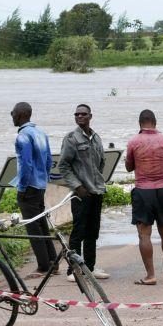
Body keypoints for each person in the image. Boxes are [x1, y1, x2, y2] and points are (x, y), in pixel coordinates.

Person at [125, 109, 163, 285]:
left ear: (140, 123)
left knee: (144, 235)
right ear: (155, 122)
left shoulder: (133, 142)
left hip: (143, 191)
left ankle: (150, 276)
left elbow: (129, 167)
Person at [58, 103, 110, 280]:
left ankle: (90, 267)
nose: (80, 117)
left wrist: (95, 181)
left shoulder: (96, 138)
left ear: (90, 116)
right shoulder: (71, 138)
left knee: (92, 232)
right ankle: (73, 270)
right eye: (77, 114)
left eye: (83, 114)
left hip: (96, 192)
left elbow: (101, 162)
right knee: (78, 231)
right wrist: (78, 186)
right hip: (81, 194)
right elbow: (63, 165)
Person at [10, 102, 57, 279]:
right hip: (40, 185)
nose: (11, 115)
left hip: (29, 186)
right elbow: (48, 160)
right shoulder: (40, 133)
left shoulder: (23, 136)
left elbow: (26, 164)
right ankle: (53, 261)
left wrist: (21, 187)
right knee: (41, 223)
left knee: (32, 226)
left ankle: (43, 266)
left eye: (13, 112)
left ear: (21, 115)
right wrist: (44, 179)